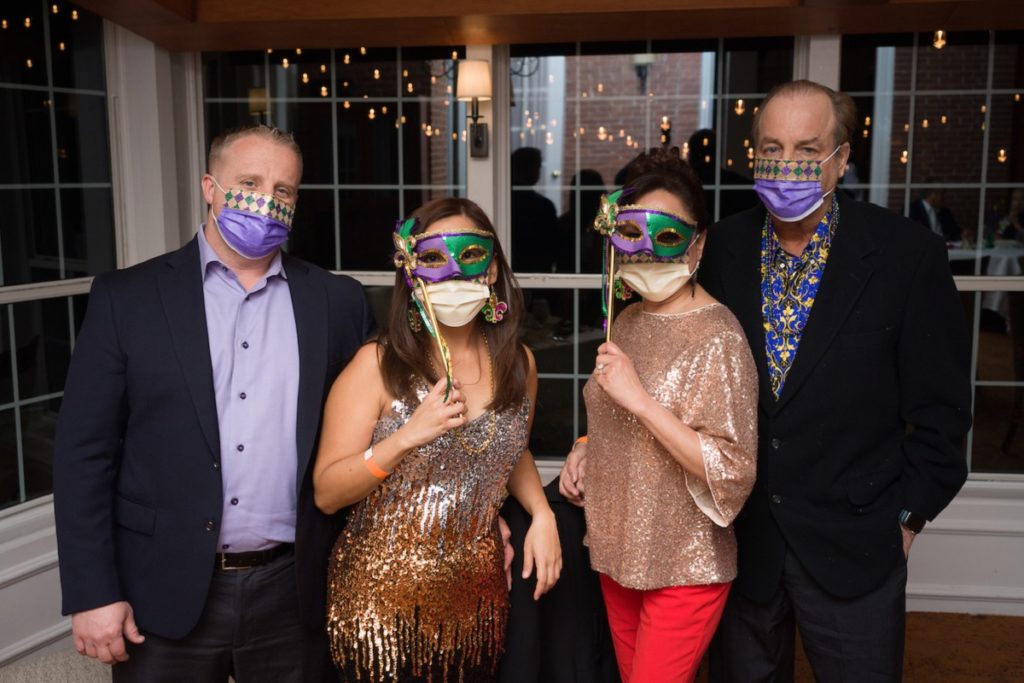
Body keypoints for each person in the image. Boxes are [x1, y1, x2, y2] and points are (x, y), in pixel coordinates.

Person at [52, 125, 374, 682]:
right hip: (164, 587)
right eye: (248, 182)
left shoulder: (336, 301)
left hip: (296, 590)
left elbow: (374, 434)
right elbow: (84, 455)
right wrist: (92, 590)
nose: (266, 201)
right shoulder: (128, 298)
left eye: (284, 190)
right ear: (210, 186)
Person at [696, 80, 971, 681]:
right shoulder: (718, 249)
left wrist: (907, 517)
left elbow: (942, 410)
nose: (786, 165)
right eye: (772, 149)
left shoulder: (906, 255)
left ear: (841, 159)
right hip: (742, 546)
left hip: (858, 543)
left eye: (806, 149)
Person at [313, 197, 562, 681]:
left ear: (492, 271)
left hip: (478, 604)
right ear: (412, 273)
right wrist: (406, 437)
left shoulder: (518, 363)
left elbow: (512, 451)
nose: (453, 274)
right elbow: (326, 493)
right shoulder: (377, 365)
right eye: (432, 259)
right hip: (380, 613)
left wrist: (543, 513)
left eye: (469, 256)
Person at [559, 148, 759, 682]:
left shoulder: (719, 337)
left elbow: (733, 468)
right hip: (618, 549)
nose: (646, 251)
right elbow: (608, 413)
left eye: (666, 235)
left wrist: (642, 401)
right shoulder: (625, 322)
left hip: (685, 564)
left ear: (698, 242)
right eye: (631, 234)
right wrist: (583, 446)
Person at [511, 147, 560, 273]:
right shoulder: (543, 206)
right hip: (539, 274)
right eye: (536, 167)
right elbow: (553, 248)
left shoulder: (504, 201)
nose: (537, 172)